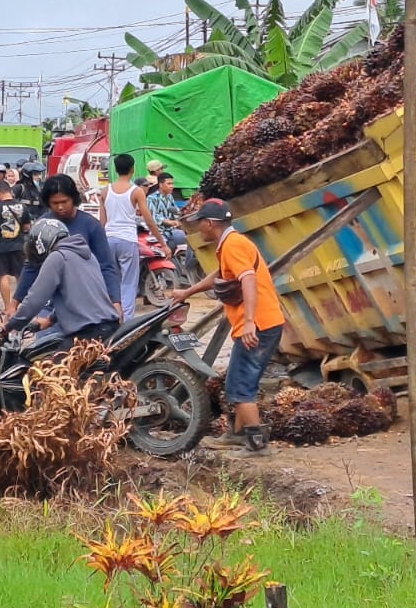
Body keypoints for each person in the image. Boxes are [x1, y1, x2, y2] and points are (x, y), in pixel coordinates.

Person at [170, 200, 285, 458]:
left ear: (209, 224)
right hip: (263, 323)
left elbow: (248, 279)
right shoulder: (230, 244)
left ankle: (256, 444)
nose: (199, 228)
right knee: (236, 379)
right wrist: (187, 292)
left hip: (259, 325)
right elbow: (219, 275)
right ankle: (235, 434)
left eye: (200, 223)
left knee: (241, 385)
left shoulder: (233, 245)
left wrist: (249, 322)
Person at [4, 218, 120, 350]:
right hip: (109, 328)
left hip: (88, 334)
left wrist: (9, 326)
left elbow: (35, 300)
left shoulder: (57, 257)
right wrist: (51, 319)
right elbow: (81, 296)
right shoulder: (88, 256)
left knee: (46, 368)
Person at [30, 174, 122, 317]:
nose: (60, 207)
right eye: (55, 203)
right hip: (49, 303)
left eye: (64, 201)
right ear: (48, 203)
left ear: (74, 199)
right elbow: (31, 265)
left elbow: (106, 266)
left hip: (85, 303)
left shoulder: (91, 226)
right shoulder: (41, 227)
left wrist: (115, 300)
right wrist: (15, 302)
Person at [100, 153, 169, 320]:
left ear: (116, 170)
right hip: (128, 240)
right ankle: (127, 322)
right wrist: (163, 243)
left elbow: (102, 222)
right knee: (129, 284)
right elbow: (149, 220)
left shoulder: (105, 191)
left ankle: (112, 318)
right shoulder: (136, 191)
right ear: (132, 169)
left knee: (112, 282)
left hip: (109, 240)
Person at [0, 181, 31, 313]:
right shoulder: (23, 207)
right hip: (18, 246)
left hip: (0, 247)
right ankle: (20, 306)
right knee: (20, 276)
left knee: (3, 276)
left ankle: (7, 307)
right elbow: (27, 227)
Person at [148, 172, 187, 253]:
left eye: (172, 183)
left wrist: (180, 219)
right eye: (169, 183)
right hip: (158, 232)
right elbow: (154, 217)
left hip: (171, 231)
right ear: (161, 184)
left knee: (187, 239)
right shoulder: (151, 198)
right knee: (165, 251)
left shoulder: (169, 197)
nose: (172, 186)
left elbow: (176, 211)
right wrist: (169, 222)